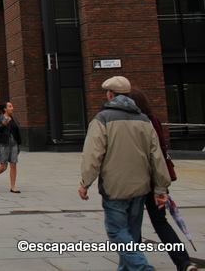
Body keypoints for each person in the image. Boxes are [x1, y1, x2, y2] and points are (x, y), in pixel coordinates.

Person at [79, 76, 171, 271]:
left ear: (110, 95)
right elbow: (157, 156)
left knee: (116, 232)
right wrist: (161, 187)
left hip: (115, 187)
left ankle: (143, 268)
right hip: (141, 188)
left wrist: (85, 182)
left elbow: (93, 155)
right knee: (131, 232)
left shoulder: (102, 119)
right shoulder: (144, 120)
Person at [128, 90, 197, 271]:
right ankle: (184, 262)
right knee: (161, 222)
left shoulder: (132, 123)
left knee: (133, 223)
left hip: (136, 180)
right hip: (156, 179)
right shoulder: (154, 121)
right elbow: (160, 151)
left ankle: (136, 264)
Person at [0, 102, 21, 193]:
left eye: (12, 106)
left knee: (13, 165)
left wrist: (18, 143)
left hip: (14, 144)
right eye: (10, 106)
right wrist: (3, 124)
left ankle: (13, 187)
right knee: (3, 167)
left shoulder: (14, 118)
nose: (12, 108)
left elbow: (17, 131)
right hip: (3, 145)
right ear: (5, 109)